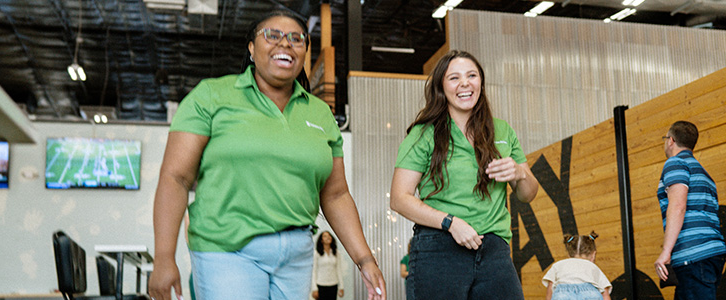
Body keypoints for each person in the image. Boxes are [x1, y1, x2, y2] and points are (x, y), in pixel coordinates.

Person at [148, 10, 385, 300]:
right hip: (226, 251)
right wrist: (164, 256)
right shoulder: (211, 96)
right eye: (272, 35)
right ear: (251, 48)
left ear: (304, 52)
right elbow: (176, 178)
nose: (285, 44)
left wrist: (365, 259)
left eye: (296, 38)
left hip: (296, 254)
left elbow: (335, 195)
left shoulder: (319, 112)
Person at [390, 50, 540, 300]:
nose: (465, 84)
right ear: (441, 86)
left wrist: (519, 173)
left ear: (481, 81)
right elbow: (399, 198)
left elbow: (528, 195)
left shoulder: (502, 130)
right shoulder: (424, 134)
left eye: (472, 75)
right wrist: (451, 223)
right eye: (454, 78)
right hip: (439, 247)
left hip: (494, 251)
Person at [654, 120, 726, 300]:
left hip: (693, 256)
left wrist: (666, 251)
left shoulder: (675, 163)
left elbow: (678, 205)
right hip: (711, 254)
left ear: (670, 140)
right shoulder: (704, 174)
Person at [541, 232, 611, 300]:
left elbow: (550, 287)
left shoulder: (558, 265)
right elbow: (605, 293)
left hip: (563, 295)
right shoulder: (593, 267)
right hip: (590, 294)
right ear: (593, 254)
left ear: (568, 254)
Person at [312, 231, 345, 299]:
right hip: (321, 285)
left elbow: (338, 270)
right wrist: (314, 288)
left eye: (329, 236)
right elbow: (313, 271)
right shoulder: (316, 253)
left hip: (333, 285)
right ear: (321, 240)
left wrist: (341, 286)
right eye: (325, 236)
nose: (328, 237)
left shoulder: (336, 253)